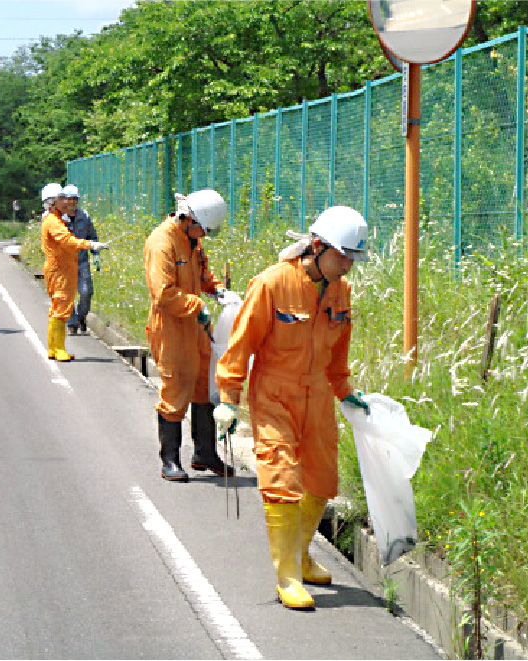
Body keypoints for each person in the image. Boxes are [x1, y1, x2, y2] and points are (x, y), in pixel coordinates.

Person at [212, 205, 372, 610]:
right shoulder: (272, 284)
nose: (348, 266)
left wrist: (345, 391)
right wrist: (229, 400)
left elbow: (338, 355)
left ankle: (301, 555)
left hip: (317, 396)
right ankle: (287, 577)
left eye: (354, 258)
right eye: (343, 256)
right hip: (275, 396)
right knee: (282, 479)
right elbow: (240, 345)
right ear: (317, 246)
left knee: (321, 481)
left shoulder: (340, 290)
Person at [143, 189, 237, 482]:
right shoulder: (162, 243)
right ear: (189, 219)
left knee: (203, 386)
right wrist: (197, 306)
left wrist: (217, 289)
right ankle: (169, 459)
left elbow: (203, 274)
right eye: (203, 230)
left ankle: (204, 453)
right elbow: (163, 294)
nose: (204, 236)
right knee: (175, 390)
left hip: (194, 326)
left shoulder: (192, 240)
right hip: (171, 327)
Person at [41, 185, 108, 361]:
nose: (66, 202)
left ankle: (54, 348)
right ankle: (58, 348)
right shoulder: (54, 221)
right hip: (60, 270)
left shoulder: (57, 218)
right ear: (52, 202)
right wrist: (89, 245)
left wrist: (91, 246)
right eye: (61, 199)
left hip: (64, 268)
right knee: (61, 308)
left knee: (59, 307)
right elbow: (66, 240)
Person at [61, 185, 99, 335]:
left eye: (74, 199)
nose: (72, 202)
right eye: (69, 199)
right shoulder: (58, 219)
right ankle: (71, 323)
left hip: (82, 261)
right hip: (64, 263)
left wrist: (95, 254)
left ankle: (81, 317)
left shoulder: (84, 217)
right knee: (67, 294)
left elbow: (92, 237)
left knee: (86, 292)